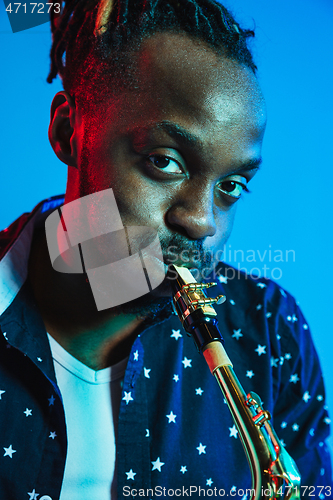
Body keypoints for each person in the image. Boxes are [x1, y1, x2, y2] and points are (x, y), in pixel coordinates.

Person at [0, 0, 331, 499]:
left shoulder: (272, 328)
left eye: (232, 186)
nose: (201, 223)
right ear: (70, 131)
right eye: (164, 161)